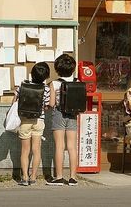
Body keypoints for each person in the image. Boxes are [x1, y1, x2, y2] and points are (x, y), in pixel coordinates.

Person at [15, 62, 51, 186]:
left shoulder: (22, 86)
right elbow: (47, 106)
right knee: (36, 150)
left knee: (25, 150)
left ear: (32, 74)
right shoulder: (45, 89)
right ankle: (34, 176)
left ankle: (24, 177)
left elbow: (15, 101)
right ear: (46, 77)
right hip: (39, 120)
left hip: (25, 120)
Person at [47, 54, 79, 186]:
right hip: (72, 115)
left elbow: (52, 103)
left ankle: (59, 177)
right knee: (72, 147)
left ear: (57, 69)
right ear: (72, 69)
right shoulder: (77, 82)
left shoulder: (54, 83)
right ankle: (73, 177)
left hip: (59, 114)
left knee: (59, 146)